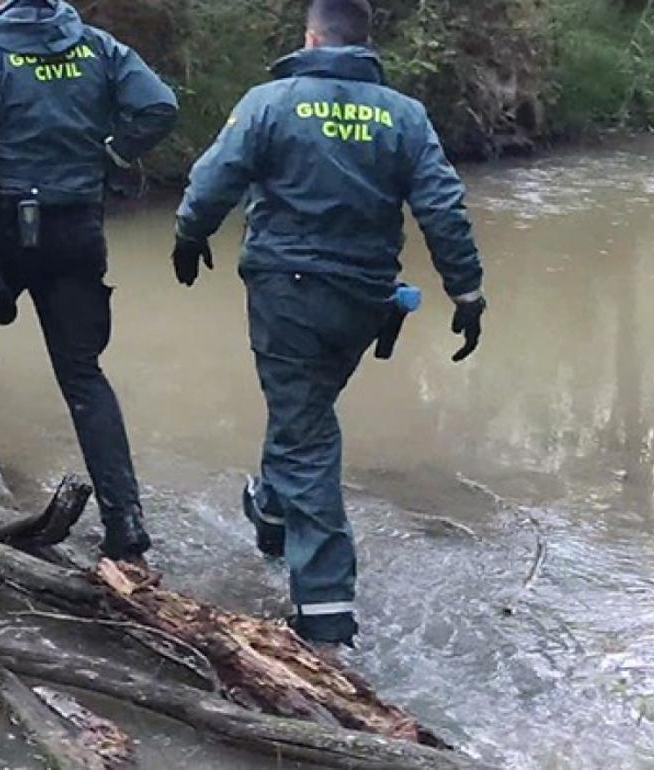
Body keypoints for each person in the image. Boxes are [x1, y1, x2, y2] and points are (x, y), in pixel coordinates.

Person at [172, 0, 486, 645]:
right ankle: (272, 516)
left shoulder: (271, 100)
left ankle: (325, 608)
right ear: (363, 42)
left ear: (311, 37)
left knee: (305, 430)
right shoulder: (405, 115)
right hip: (366, 298)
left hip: (289, 290)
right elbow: (443, 208)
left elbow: (213, 178)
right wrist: (468, 291)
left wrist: (188, 234)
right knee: (303, 407)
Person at [0, 0, 178, 561]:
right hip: (75, 226)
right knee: (83, 375)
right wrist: (109, 156)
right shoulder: (97, 47)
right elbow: (159, 107)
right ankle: (125, 522)